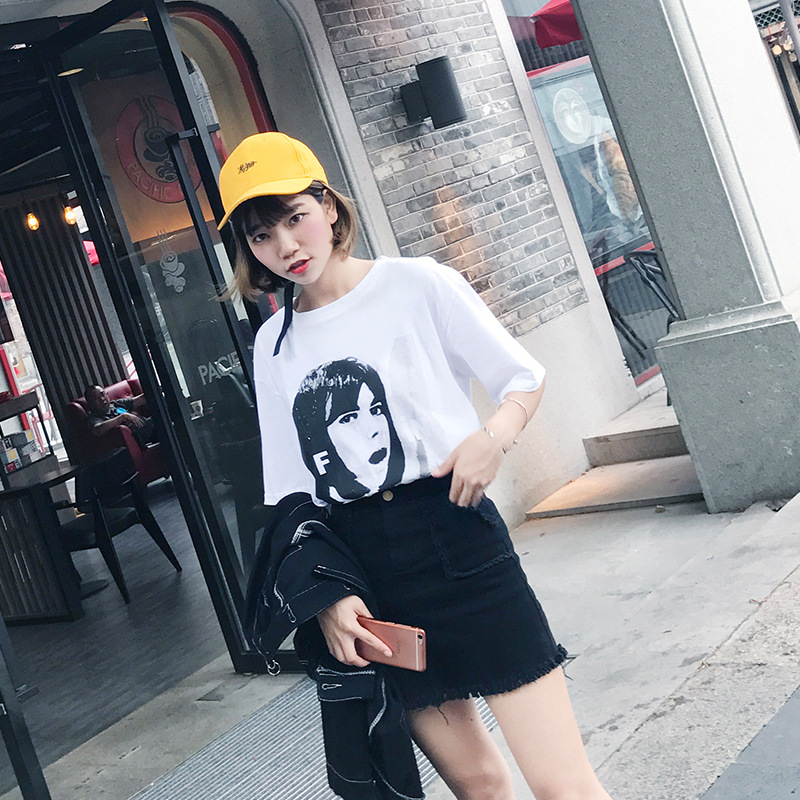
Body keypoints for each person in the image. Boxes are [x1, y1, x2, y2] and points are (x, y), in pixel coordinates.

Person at [220, 132, 613, 800]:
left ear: (329, 207)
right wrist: (328, 599)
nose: (285, 246)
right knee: (478, 785)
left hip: (461, 537)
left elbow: (522, 377)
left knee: (561, 784)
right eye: (261, 235)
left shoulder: (416, 284)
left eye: (295, 217)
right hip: (373, 572)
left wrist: (493, 438)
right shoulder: (273, 346)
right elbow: (291, 496)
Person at [83, 384, 155, 448]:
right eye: (96, 398)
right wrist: (122, 417)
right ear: (90, 403)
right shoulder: (94, 417)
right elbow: (98, 430)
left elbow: (141, 399)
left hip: (149, 428)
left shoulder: (116, 404)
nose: (102, 399)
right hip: (137, 439)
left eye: (102, 394)